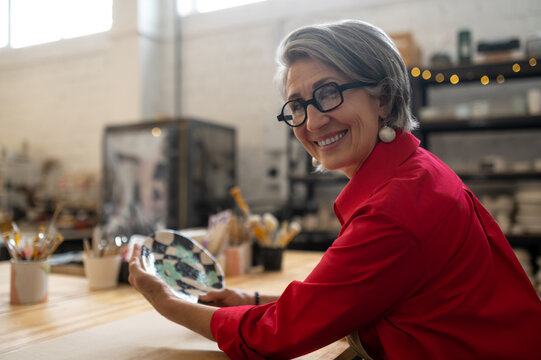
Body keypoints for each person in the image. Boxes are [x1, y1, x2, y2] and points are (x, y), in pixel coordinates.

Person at [129, 20, 541, 359]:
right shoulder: (412, 172)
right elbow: (353, 301)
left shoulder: (396, 207)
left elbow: (278, 337)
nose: (311, 122)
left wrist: (170, 304)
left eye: (328, 93)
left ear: (383, 97)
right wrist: (249, 297)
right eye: (297, 105)